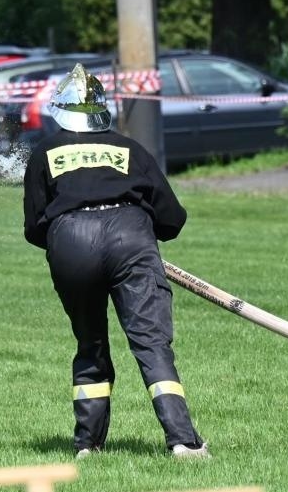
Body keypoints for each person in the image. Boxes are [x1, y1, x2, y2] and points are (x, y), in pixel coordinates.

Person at [22, 65, 208, 459]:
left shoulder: (44, 152)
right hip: (131, 237)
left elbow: (35, 227)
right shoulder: (131, 149)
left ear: (60, 110)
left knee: (90, 343)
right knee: (151, 344)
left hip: (70, 241)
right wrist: (140, 240)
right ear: (103, 110)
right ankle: (184, 442)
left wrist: (71, 244)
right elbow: (172, 218)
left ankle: (87, 445)